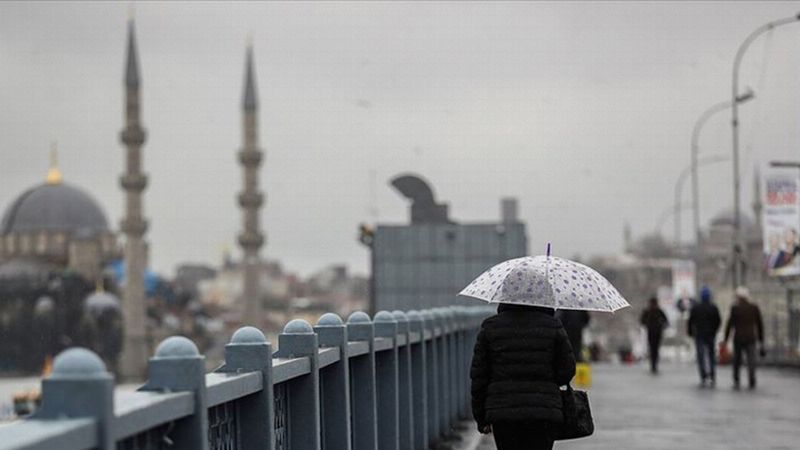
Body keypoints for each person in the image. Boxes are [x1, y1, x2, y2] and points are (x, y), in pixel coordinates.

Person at [471, 303, 576, 450]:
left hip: (503, 411)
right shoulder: (553, 326)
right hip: (544, 410)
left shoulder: (491, 327)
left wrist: (481, 418)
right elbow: (567, 370)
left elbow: (479, 377)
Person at [724, 286, 765, 389]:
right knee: (751, 360)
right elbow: (759, 324)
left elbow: (730, 324)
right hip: (751, 337)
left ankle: (736, 379)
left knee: (737, 360)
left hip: (738, 338)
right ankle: (752, 379)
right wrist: (761, 339)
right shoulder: (754, 308)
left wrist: (726, 338)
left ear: (739, 297)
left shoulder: (735, 308)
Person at [687, 286, 721, 387]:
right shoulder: (713, 307)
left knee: (701, 356)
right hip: (710, 334)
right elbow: (718, 321)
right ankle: (712, 375)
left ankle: (703, 376)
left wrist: (691, 332)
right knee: (711, 356)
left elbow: (690, 321)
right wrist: (714, 330)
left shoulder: (696, 308)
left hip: (700, 335)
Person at [640, 297, 668, 374]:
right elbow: (666, 321)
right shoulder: (658, 311)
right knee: (655, 349)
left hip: (652, 332)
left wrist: (647, 324)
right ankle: (654, 365)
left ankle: (653, 365)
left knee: (653, 349)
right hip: (656, 332)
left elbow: (642, 321)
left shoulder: (649, 311)